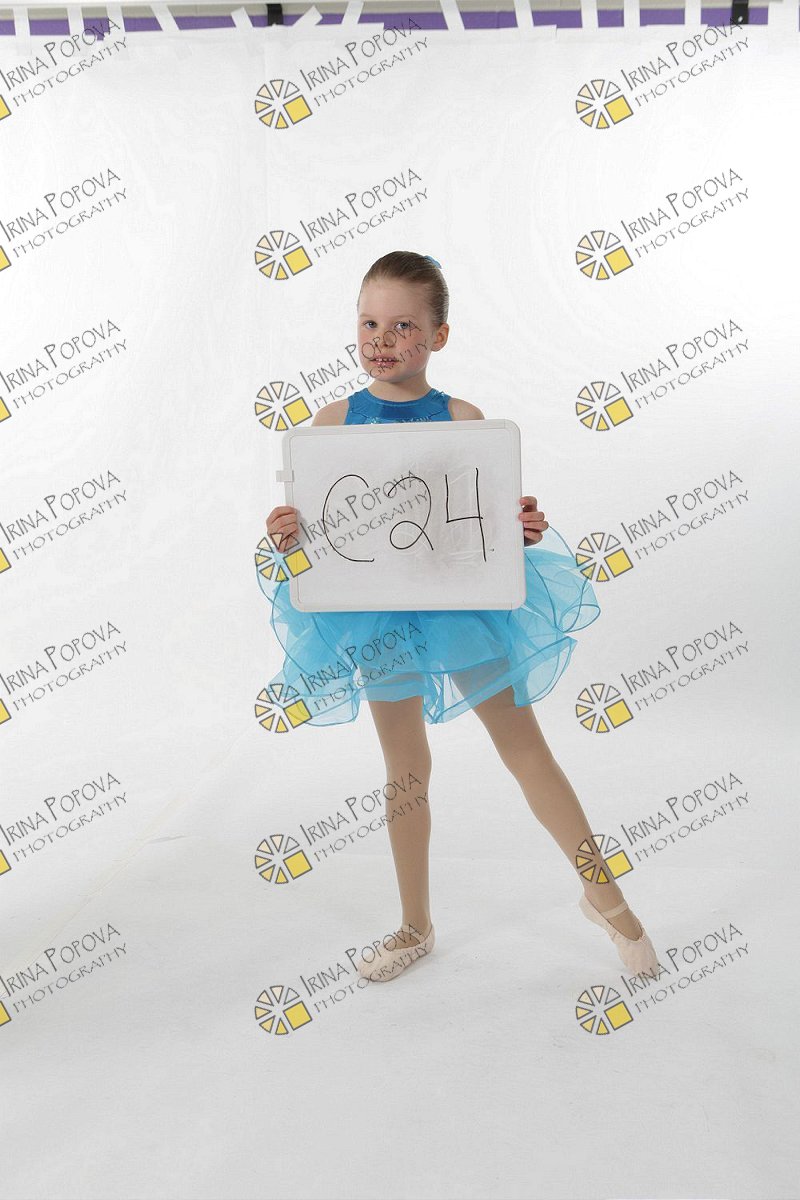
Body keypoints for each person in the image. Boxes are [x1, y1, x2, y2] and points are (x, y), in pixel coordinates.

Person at [261, 250, 658, 984]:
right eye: (369, 323)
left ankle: (606, 898)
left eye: (403, 326)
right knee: (405, 766)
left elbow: (484, 528)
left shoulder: (464, 421)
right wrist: (292, 535)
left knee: (525, 749)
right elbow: (326, 541)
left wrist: (520, 529)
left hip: (457, 610)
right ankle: (414, 925)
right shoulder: (332, 422)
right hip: (378, 618)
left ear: (438, 336)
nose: (382, 340)